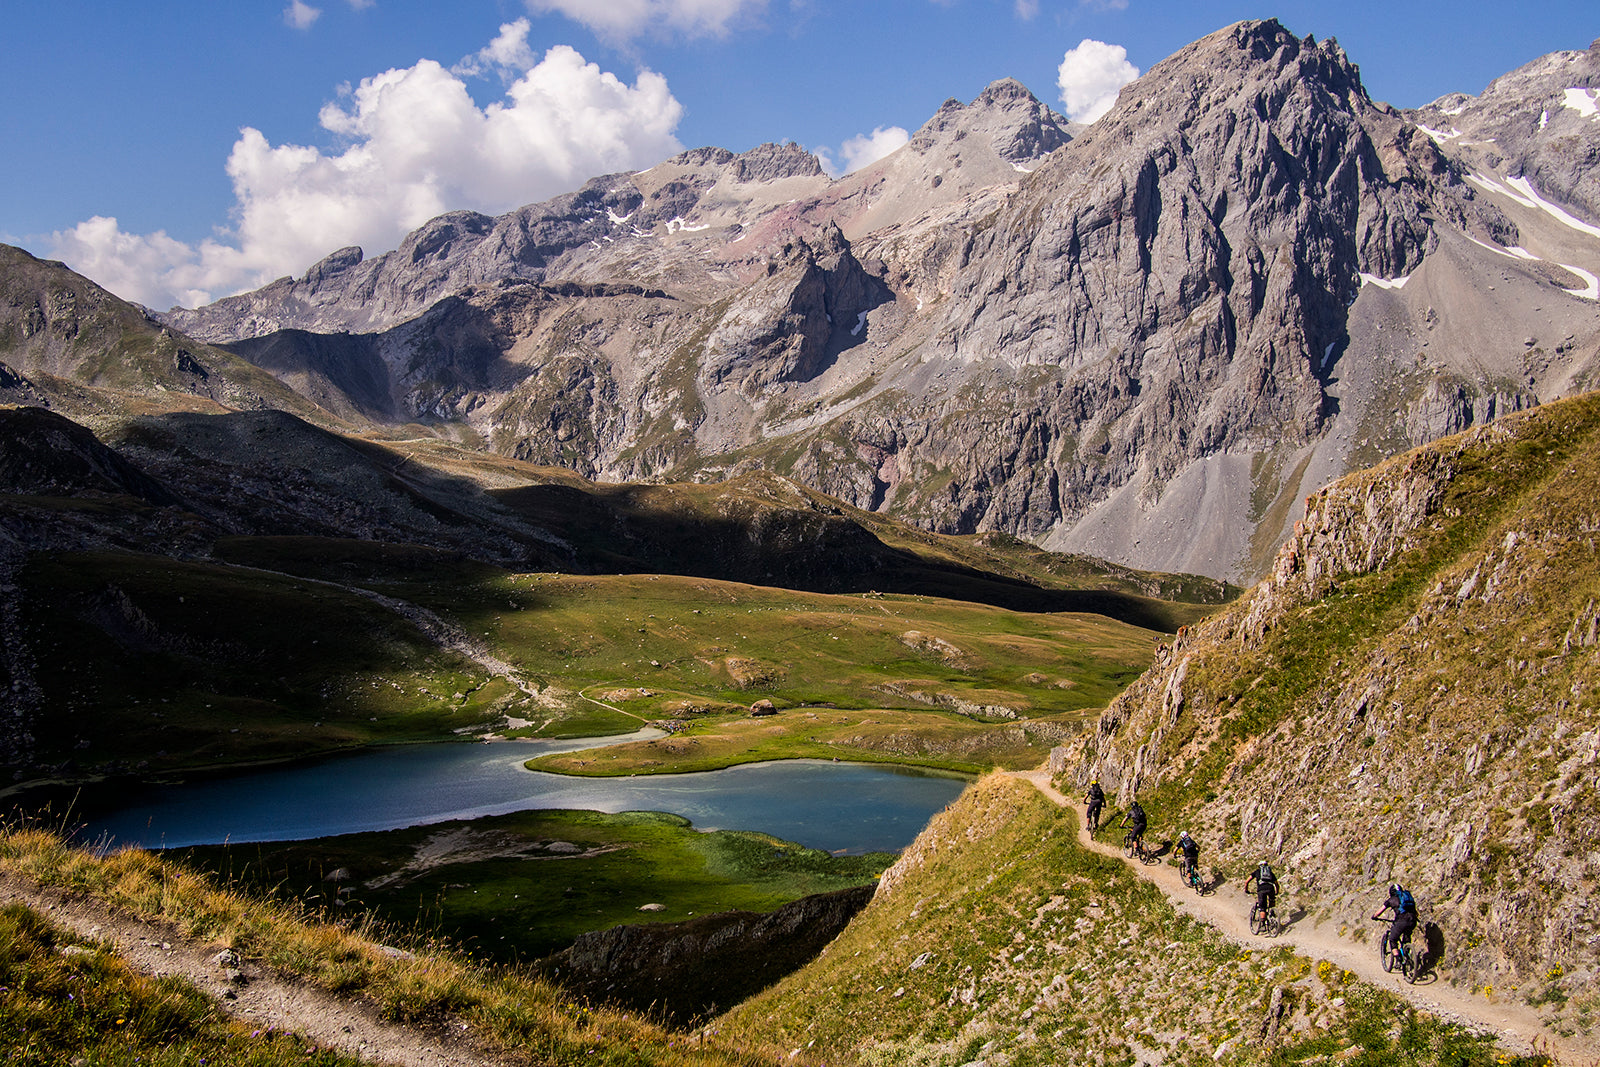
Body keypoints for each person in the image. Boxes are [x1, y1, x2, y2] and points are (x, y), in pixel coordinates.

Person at [1373, 883, 1418, 954]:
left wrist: (1374, 916)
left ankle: (1397, 959)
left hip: (1402, 921)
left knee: (1392, 939)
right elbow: (1416, 913)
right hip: (1413, 920)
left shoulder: (1391, 900)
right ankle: (1407, 956)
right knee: (1407, 937)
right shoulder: (1407, 898)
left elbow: (1380, 911)